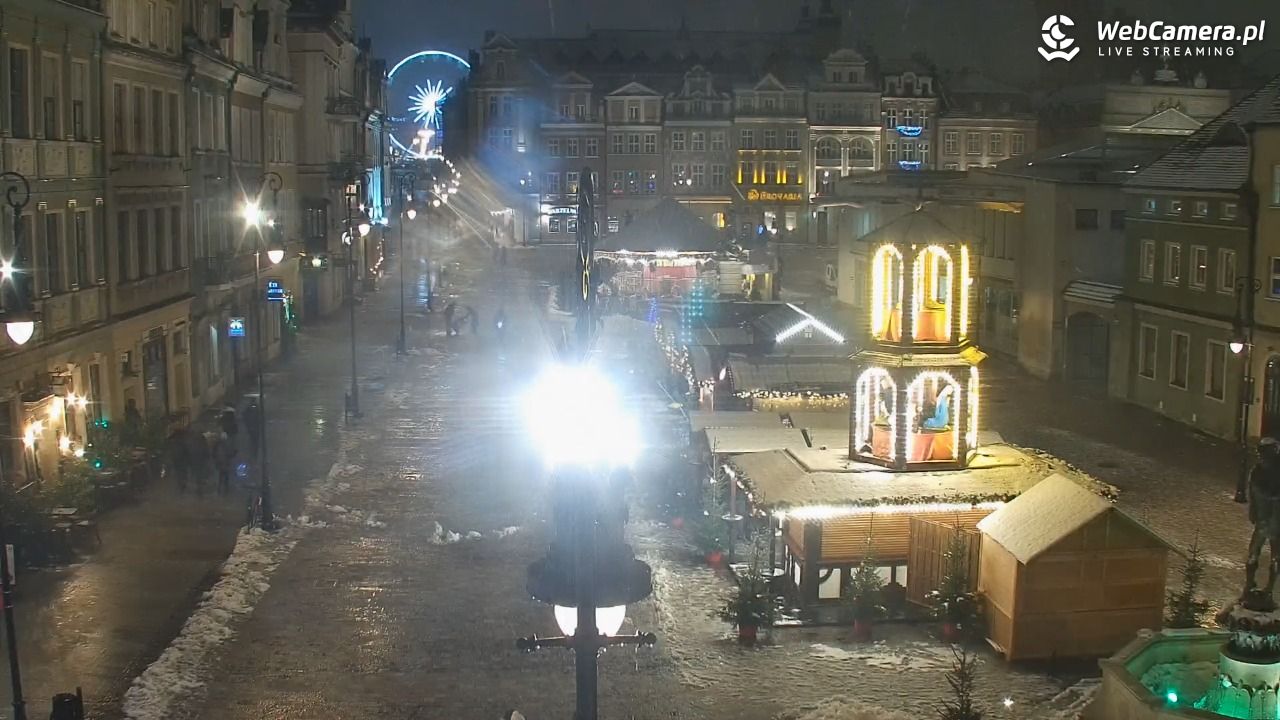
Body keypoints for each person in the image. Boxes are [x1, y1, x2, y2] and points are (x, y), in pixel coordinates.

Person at [1247, 437, 1280, 595]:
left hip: (1266, 522)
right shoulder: (1259, 471)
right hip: (1271, 522)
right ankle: (1266, 588)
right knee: (1271, 555)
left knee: (1255, 552)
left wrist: (1253, 510)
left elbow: (1253, 494)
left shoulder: (1257, 472)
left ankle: (1254, 586)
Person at [167, 426, 191, 494]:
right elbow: (187, 451)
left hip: (177, 460)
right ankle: (182, 486)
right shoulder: (184, 440)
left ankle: (180, 486)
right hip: (182, 460)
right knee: (182, 473)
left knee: (179, 473)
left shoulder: (174, 439)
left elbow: (168, 443)